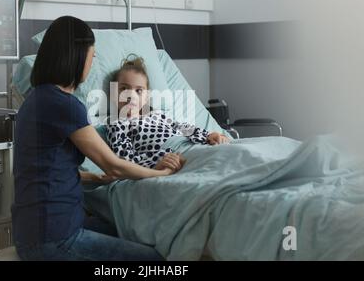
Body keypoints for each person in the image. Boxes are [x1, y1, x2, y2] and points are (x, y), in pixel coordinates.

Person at [12, 16, 185, 261]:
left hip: (33, 232)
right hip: (55, 239)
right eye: (92, 57)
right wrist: (162, 174)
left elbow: (46, 169)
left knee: (138, 232)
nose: (92, 63)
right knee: (154, 259)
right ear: (78, 57)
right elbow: (113, 163)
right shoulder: (65, 106)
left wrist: (94, 178)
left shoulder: (37, 99)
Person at [107, 55, 230, 169]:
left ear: (146, 96)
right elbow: (125, 161)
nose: (131, 96)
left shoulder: (157, 115)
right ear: (113, 93)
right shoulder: (118, 125)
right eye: (124, 89)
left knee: (234, 153)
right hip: (174, 157)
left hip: (192, 144)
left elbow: (182, 127)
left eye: (138, 91)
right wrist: (155, 164)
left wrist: (208, 135)